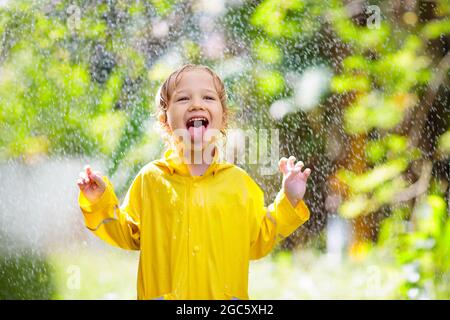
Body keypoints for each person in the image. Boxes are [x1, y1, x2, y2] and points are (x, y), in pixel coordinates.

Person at [76, 64, 312, 300]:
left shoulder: (238, 184)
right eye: (183, 98)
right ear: (165, 119)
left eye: (208, 97)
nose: (197, 104)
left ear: (223, 117)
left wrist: (289, 198)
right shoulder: (152, 180)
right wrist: (99, 201)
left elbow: (261, 236)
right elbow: (127, 233)